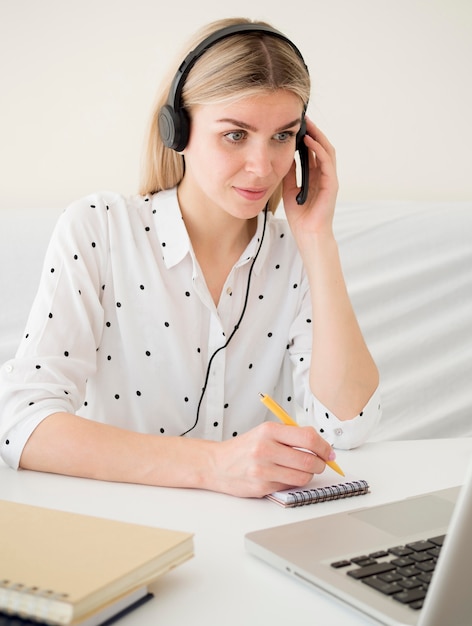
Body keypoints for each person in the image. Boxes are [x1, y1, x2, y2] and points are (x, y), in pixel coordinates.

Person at [0, 17, 380, 498]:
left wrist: (318, 240)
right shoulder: (99, 228)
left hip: (251, 537)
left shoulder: (297, 255)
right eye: (235, 135)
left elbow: (347, 427)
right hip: (124, 530)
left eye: (283, 136)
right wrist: (214, 466)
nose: (262, 167)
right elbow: (20, 423)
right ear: (177, 130)